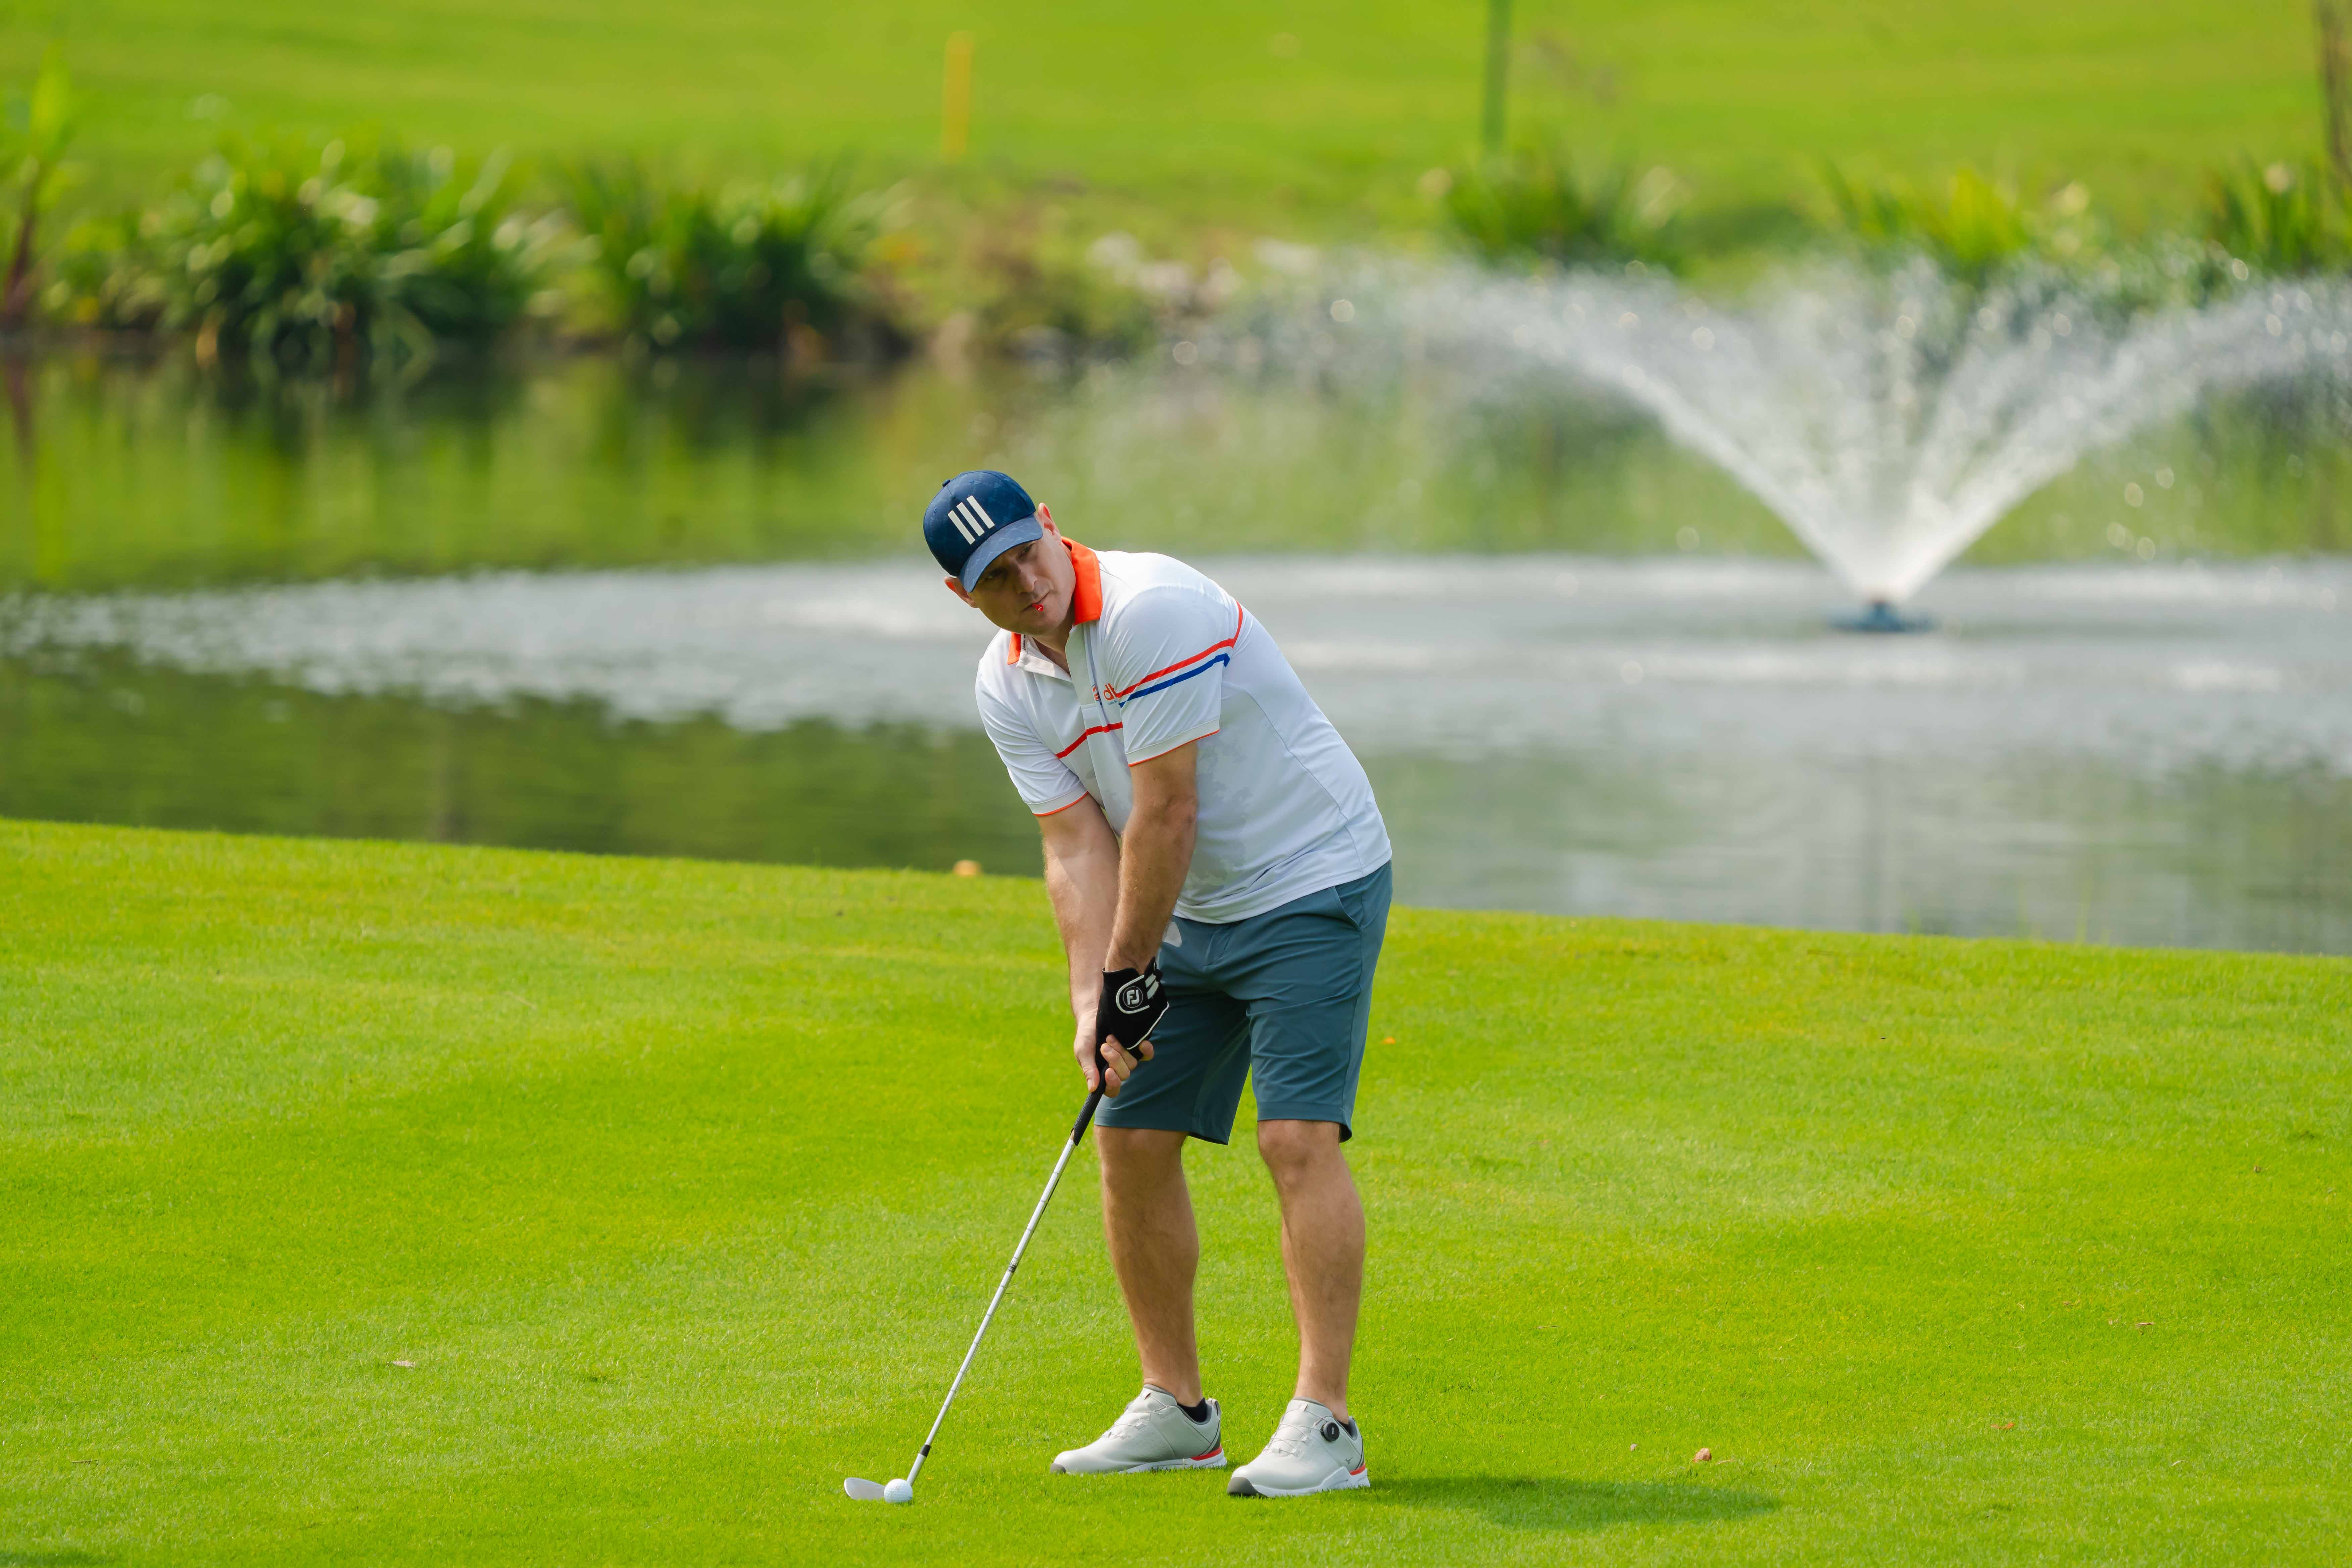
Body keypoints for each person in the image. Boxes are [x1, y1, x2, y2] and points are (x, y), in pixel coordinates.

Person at [925, 469, 1393, 1499]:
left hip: (1309, 876)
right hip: (1184, 906)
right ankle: (1177, 1410)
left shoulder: (1152, 611)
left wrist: (1130, 972)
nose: (1027, 584)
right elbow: (1075, 845)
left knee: (1296, 1138)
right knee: (1129, 1137)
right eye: (996, 578)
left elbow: (1168, 812)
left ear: (1051, 526)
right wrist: (1093, 1002)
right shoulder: (1006, 684)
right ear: (964, 596)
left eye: (1028, 554)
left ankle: (1327, 1424)